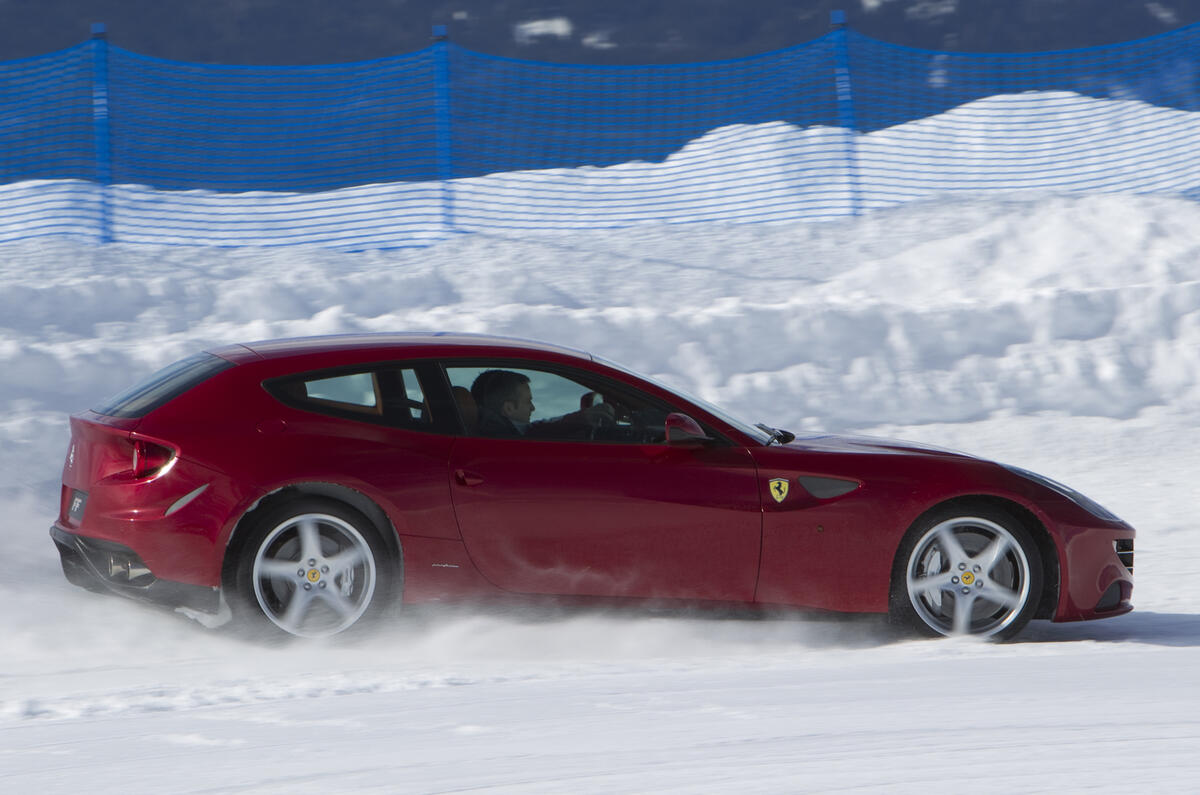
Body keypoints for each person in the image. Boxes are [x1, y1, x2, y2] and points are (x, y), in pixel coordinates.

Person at [470, 369, 614, 439]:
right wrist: (583, 418)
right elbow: (540, 429)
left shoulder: (478, 432)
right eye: (528, 402)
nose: (533, 408)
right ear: (508, 408)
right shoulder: (503, 436)